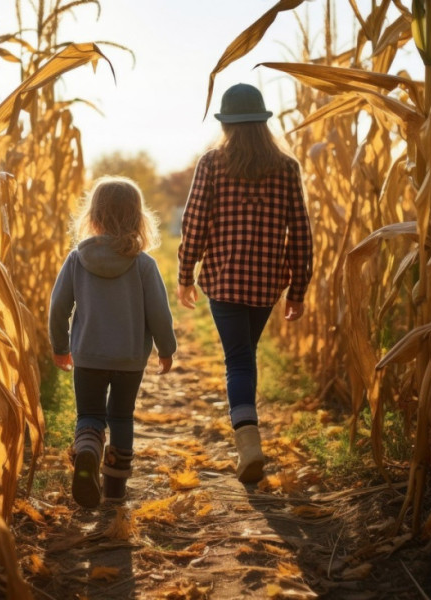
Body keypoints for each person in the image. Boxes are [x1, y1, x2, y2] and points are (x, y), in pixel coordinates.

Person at [177, 83, 313, 484]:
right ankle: (249, 435)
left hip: (222, 280)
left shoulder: (212, 163)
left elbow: (195, 222)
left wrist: (186, 275)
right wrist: (298, 288)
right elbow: (301, 233)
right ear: (262, 122)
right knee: (245, 357)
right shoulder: (287, 168)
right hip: (265, 284)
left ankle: (248, 443)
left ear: (228, 124)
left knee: (238, 360)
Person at [49, 176, 177, 508]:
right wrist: (166, 349)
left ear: (93, 216)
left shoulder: (77, 259)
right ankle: (115, 493)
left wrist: (60, 346)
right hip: (129, 359)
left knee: (89, 414)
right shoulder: (143, 264)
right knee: (120, 417)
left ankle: (88, 451)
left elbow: (59, 307)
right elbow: (160, 314)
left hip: (87, 356)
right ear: (138, 217)